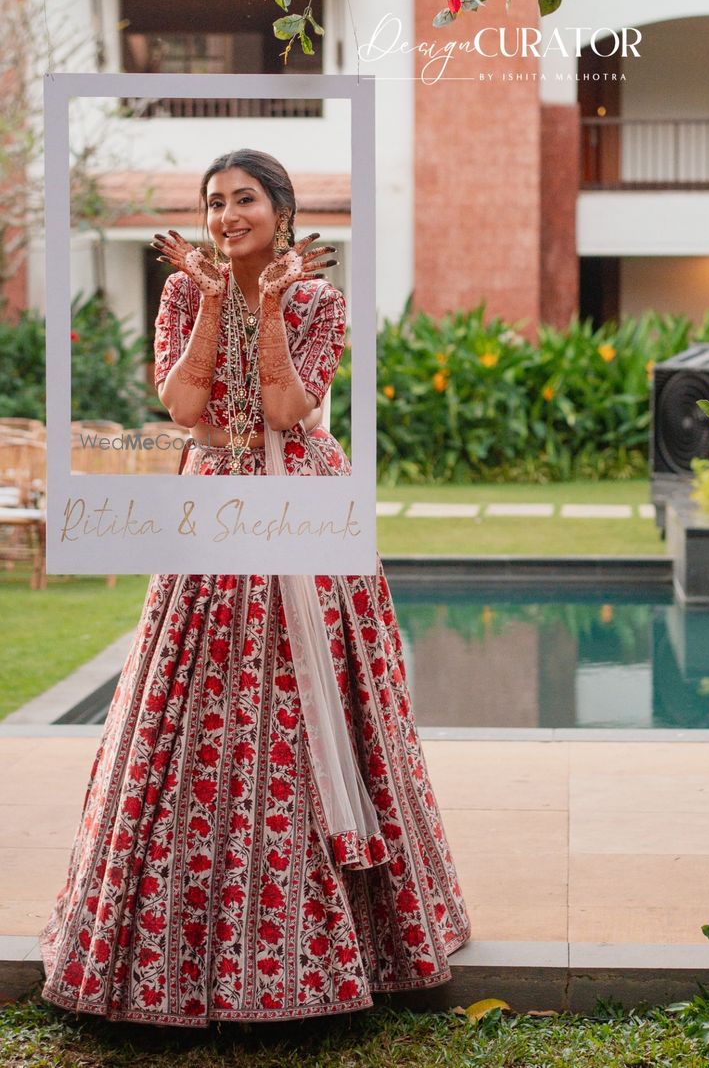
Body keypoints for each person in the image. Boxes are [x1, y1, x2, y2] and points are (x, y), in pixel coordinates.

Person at [40, 149, 471, 1025]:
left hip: (302, 506)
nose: (227, 215)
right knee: (195, 695)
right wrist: (209, 300)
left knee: (312, 697)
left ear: (279, 208)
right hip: (211, 507)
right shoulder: (180, 295)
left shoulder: (318, 300)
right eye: (214, 203)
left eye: (244, 199)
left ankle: (344, 929)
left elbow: (285, 411)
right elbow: (185, 406)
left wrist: (269, 302)